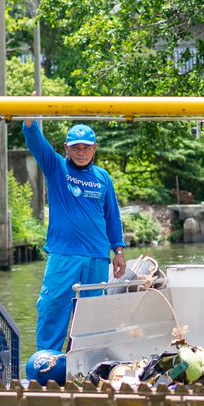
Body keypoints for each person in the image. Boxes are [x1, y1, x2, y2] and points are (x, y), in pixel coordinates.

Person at [23, 118, 127, 354]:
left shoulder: (103, 178)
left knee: (92, 317)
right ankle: (46, 363)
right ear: (66, 148)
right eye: (76, 147)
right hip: (63, 255)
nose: (81, 152)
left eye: (86, 147)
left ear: (95, 148)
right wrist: (29, 120)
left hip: (97, 258)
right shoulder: (56, 168)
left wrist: (118, 251)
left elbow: (112, 216)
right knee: (52, 309)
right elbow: (37, 142)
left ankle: (87, 364)